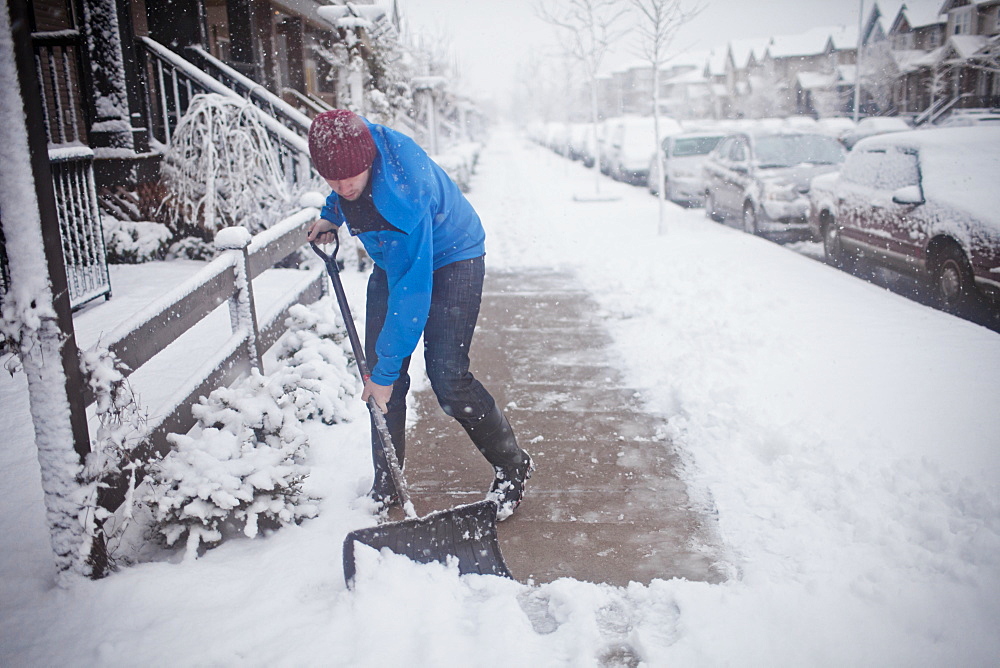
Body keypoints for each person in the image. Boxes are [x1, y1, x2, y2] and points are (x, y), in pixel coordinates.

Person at [306, 109, 533, 520]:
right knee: (378, 377)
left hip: (453, 255)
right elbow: (344, 187)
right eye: (331, 180)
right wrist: (332, 211)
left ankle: (513, 466)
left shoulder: (403, 197)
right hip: (397, 257)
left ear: (369, 160)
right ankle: (387, 484)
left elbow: (412, 295)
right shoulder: (352, 143)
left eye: (351, 177)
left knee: (447, 376)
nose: (342, 185)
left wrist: (388, 371)